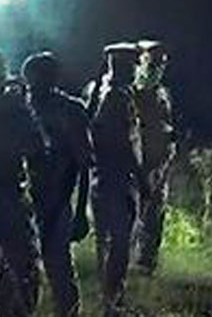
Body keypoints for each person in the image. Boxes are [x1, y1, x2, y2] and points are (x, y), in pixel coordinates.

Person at [22, 52, 93, 316]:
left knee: (59, 270)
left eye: (41, 78)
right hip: (22, 201)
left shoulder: (70, 111)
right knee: (22, 272)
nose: (35, 86)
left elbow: (83, 164)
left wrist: (80, 212)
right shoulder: (19, 108)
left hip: (56, 200)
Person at [0, 46, 41, 316]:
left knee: (20, 267)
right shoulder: (11, 106)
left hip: (7, 192)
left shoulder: (14, 107)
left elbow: (36, 147)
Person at [89, 43, 149, 316]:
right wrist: (141, 178)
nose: (136, 70)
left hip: (106, 179)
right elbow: (123, 143)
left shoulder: (107, 93)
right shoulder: (116, 98)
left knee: (109, 243)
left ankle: (111, 301)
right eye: (133, 65)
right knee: (120, 243)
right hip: (117, 180)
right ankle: (112, 302)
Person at [131, 40, 177, 275]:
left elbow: (166, 123)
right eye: (152, 63)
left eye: (161, 64)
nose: (158, 68)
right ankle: (125, 260)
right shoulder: (131, 93)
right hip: (137, 163)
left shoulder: (162, 93)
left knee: (155, 212)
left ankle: (147, 262)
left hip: (160, 162)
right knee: (134, 211)